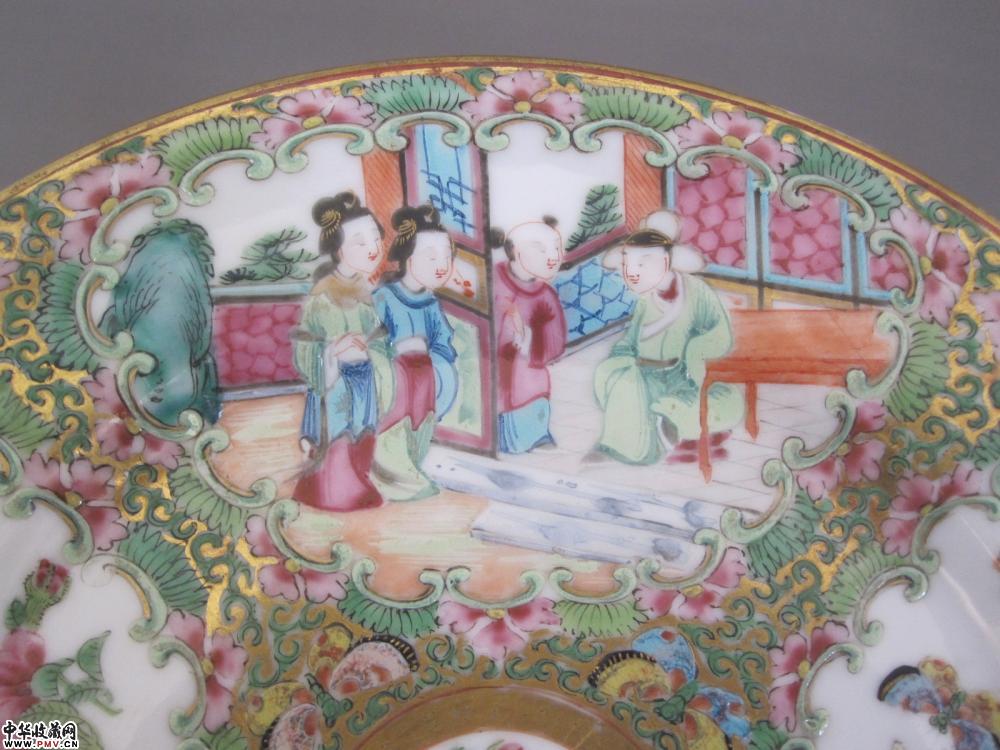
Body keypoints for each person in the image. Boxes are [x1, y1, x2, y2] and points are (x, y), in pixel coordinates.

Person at [591, 214, 744, 465]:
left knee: (727, 402)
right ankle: (629, 448)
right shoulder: (646, 301)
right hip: (646, 378)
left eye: (643, 263)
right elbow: (629, 342)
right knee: (623, 382)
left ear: (665, 260)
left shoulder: (697, 292)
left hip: (684, 379)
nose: (632, 273)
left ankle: (668, 423)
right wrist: (621, 360)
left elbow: (720, 333)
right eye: (628, 264)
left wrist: (695, 350)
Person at [292, 192, 389, 511]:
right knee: (339, 436)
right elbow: (306, 347)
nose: (373, 248)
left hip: (363, 379)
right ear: (338, 249)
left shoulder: (366, 293)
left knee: (363, 433)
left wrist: (370, 348)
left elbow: (380, 338)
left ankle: (357, 483)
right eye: (360, 242)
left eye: (375, 238)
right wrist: (333, 349)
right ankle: (334, 493)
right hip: (337, 384)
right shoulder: (321, 298)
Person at [372, 205, 459, 500]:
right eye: (431, 257)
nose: (441, 265)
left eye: (447, 257)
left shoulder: (430, 302)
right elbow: (369, 344)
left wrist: (430, 357)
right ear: (409, 258)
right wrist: (399, 350)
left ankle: (412, 465)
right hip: (394, 386)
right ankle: (392, 474)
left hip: (424, 382)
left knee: (420, 421)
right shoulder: (384, 298)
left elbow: (443, 344)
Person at [492, 218, 568, 453]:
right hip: (491, 368)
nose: (553, 257)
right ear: (516, 251)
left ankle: (532, 436)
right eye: (541, 249)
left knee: (528, 381)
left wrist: (528, 339)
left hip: (529, 370)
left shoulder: (546, 295)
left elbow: (556, 342)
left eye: (556, 248)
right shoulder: (492, 279)